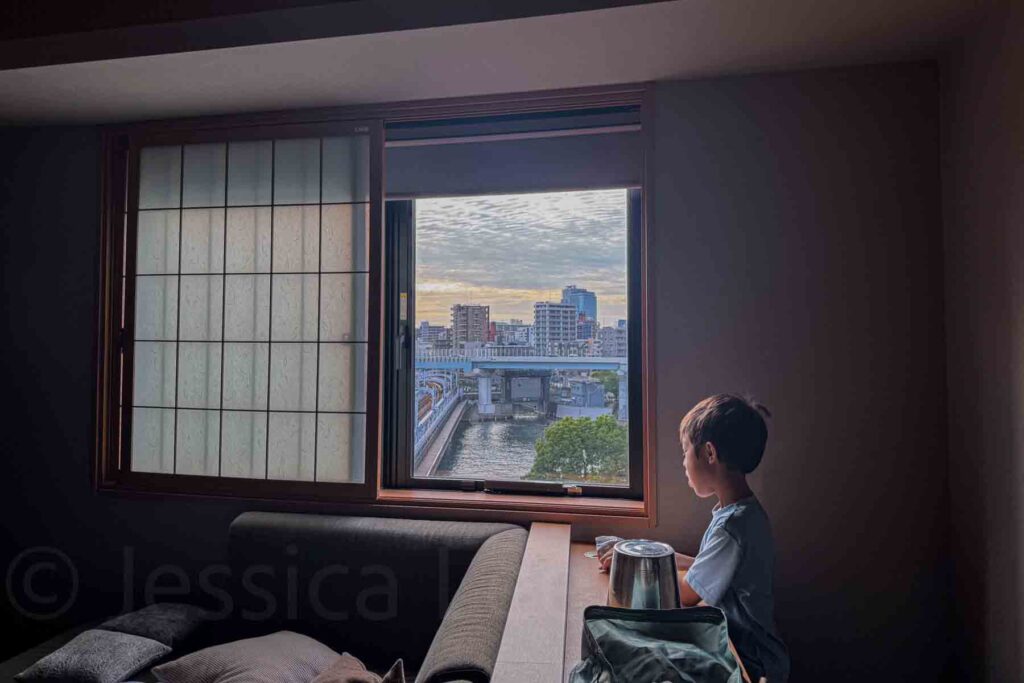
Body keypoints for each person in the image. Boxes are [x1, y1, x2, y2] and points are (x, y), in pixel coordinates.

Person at [598, 394, 789, 682]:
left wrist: (632, 573)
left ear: (709, 453)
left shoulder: (732, 527)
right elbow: (702, 566)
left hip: (749, 659)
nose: (684, 463)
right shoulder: (741, 513)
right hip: (740, 645)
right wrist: (640, 554)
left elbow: (688, 593)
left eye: (686, 451)